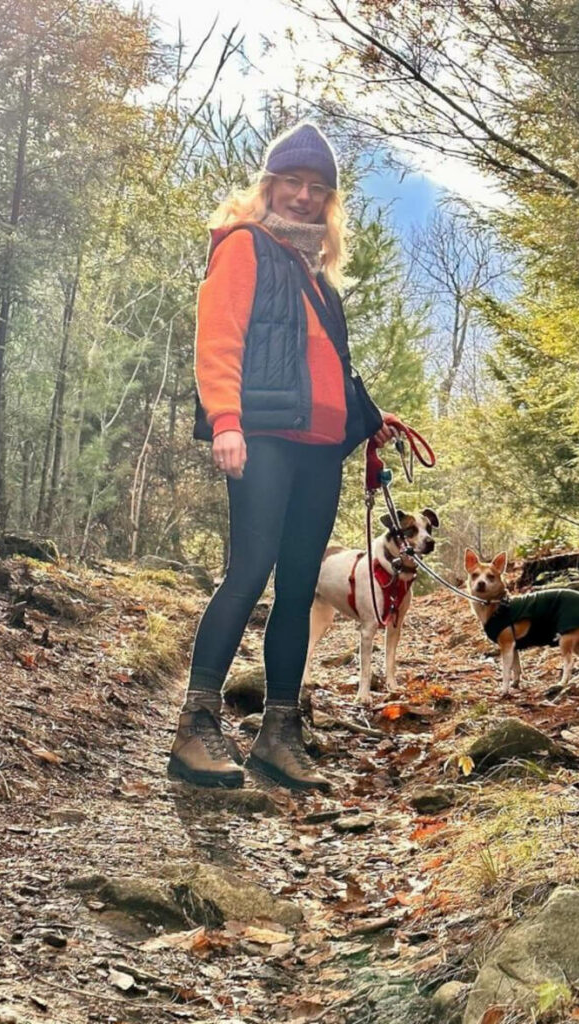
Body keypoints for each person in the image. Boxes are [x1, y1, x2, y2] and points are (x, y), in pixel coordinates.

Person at [168, 122, 396, 793]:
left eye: (317, 189)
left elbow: (325, 366)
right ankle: (196, 726)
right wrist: (225, 421)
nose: (303, 197)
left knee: (298, 589)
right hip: (262, 436)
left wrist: (372, 420)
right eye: (292, 183)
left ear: (329, 203)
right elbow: (219, 340)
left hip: (320, 450)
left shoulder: (314, 274)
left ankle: (278, 732)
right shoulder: (244, 247)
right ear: (268, 185)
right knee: (249, 573)